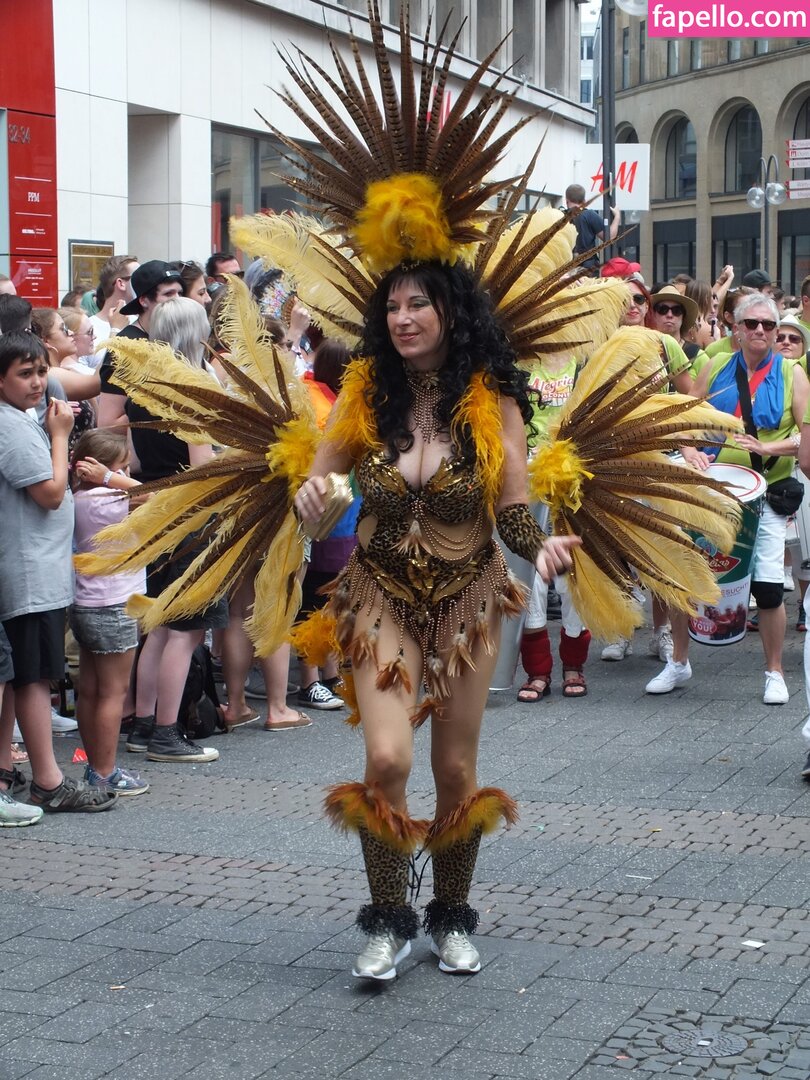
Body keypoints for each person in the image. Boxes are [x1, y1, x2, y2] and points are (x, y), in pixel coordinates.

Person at [295, 261, 577, 980]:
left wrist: (539, 546)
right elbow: (319, 479)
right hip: (378, 595)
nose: (403, 318)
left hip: (467, 600)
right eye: (392, 307)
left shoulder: (492, 396)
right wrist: (312, 498)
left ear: (453, 312)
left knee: (454, 769)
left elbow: (512, 507)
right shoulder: (365, 391)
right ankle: (388, 921)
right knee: (387, 759)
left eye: (419, 304)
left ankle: (450, 917)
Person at [648, 292, 810, 703]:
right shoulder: (716, 364)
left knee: (769, 587)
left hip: (766, 494)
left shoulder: (792, 373)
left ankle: (774, 672)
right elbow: (684, 417)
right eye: (751, 323)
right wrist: (688, 449)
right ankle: (679, 662)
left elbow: (804, 438)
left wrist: (771, 447)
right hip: (713, 492)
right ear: (736, 328)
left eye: (769, 325)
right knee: (688, 575)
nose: (761, 331)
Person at [0, 331, 116, 814]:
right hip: (29, 573)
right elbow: (49, 494)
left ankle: (8, 770)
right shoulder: (10, 425)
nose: (37, 382)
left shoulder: (20, 418)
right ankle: (48, 781)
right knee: (33, 678)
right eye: (24, 374)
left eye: (41, 372)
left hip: (37, 569)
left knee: (21, 677)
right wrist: (62, 435)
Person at [125, 297, 225, 763]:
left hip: (154, 512)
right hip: (191, 517)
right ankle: (166, 733)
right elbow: (202, 468)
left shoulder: (139, 386)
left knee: (161, 627)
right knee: (185, 631)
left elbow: (136, 461)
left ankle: (145, 725)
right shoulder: (193, 389)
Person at [70, 429, 149, 795]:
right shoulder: (111, 497)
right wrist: (109, 478)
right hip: (116, 605)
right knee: (114, 694)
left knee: (89, 690)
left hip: (85, 603)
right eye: (122, 466)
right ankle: (104, 771)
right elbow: (160, 495)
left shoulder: (77, 498)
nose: (126, 473)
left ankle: (94, 766)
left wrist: (104, 476)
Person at [97, 260, 183, 432]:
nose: (177, 301)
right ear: (144, 300)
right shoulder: (126, 347)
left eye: (180, 293)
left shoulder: (172, 338)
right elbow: (107, 424)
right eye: (168, 294)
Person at [564, 183, 620, 274]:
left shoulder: (559, 216)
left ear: (566, 200)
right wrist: (617, 216)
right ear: (584, 201)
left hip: (566, 270)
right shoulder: (589, 215)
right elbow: (609, 237)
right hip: (588, 268)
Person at [89, 254, 139, 347]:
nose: (143, 282)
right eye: (138, 277)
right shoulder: (88, 329)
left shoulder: (140, 324)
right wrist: (116, 330)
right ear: (121, 283)